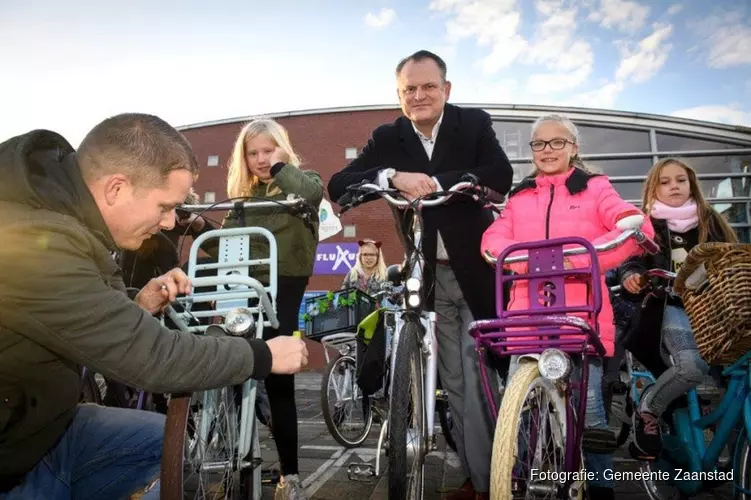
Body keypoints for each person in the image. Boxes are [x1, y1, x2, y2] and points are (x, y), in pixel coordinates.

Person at [0, 114, 309, 500]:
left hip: (44, 428)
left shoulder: (68, 218)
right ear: (117, 188)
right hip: (12, 460)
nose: (168, 223)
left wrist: (137, 302)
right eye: (165, 206)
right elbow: (150, 356)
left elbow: (75, 312)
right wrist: (262, 354)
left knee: (174, 449)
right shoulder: (28, 240)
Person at [328, 49, 514, 500]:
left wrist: (437, 182)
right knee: (452, 382)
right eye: (409, 88)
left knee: (480, 376)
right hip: (429, 277)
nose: (419, 95)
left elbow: (500, 174)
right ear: (399, 94)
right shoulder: (388, 135)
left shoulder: (472, 124)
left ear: (446, 89)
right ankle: (477, 477)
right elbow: (340, 185)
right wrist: (393, 176)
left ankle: (498, 475)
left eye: (429, 86)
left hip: (477, 272)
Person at [481, 113, 655, 500]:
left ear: (574, 147)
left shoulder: (595, 188)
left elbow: (626, 223)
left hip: (580, 315)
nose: (547, 150)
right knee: (520, 411)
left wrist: (615, 233)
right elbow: (496, 235)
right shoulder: (521, 195)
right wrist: (504, 254)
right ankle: (515, 482)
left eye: (557, 142)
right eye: (539, 143)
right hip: (526, 317)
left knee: (590, 410)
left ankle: (602, 487)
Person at [203, 118, 323, 500]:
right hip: (243, 287)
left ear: (282, 148)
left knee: (279, 376)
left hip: (282, 285)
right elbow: (221, 243)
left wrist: (280, 166)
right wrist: (189, 227)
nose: (259, 158)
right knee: (234, 368)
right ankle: (233, 456)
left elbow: (310, 195)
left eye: (267, 150)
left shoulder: (303, 183)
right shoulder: (242, 199)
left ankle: (291, 474)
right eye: (252, 152)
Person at [619, 158, 738, 460]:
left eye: (681, 180)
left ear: (691, 184)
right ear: (653, 188)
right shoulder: (646, 224)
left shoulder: (710, 220)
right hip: (671, 305)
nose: (674, 186)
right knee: (691, 367)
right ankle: (649, 408)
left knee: (738, 374)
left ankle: (737, 446)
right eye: (665, 181)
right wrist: (631, 276)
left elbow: (733, 258)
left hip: (715, 310)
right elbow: (631, 260)